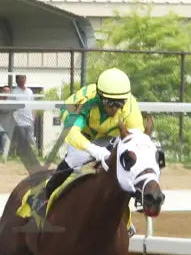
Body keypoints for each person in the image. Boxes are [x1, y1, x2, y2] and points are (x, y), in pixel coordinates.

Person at [27, 67, 144, 216]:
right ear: (101, 99)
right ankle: (43, 196)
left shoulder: (131, 107)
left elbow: (137, 140)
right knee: (77, 158)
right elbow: (72, 134)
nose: (115, 109)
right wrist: (93, 149)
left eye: (120, 104)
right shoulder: (84, 102)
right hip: (81, 131)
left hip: (107, 135)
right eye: (111, 103)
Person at [9, 74, 36, 156]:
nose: (22, 81)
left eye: (23, 79)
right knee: (21, 139)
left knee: (30, 139)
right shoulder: (14, 92)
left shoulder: (29, 91)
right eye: (20, 79)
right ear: (17, 81)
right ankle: (20, 155)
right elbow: (11, 107)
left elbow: (33, 105)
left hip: (29, 120)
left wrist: (33, 117)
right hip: (19, 121)